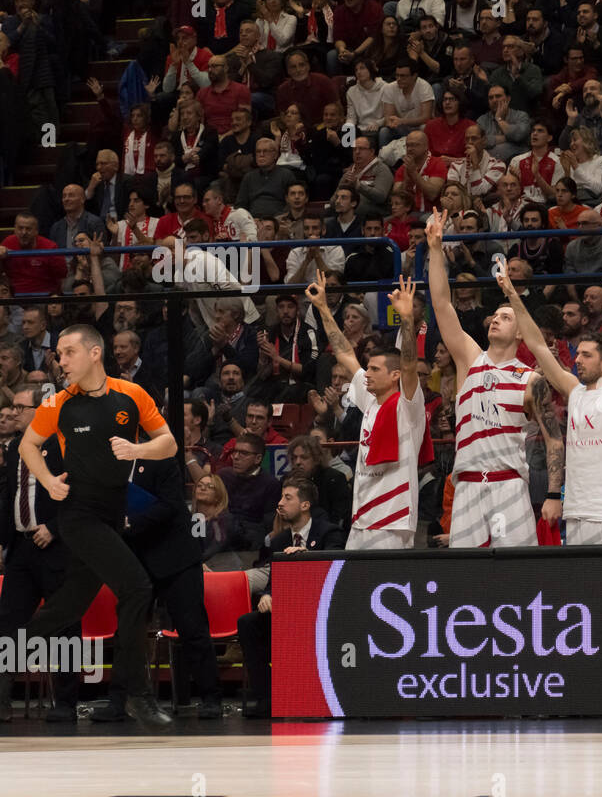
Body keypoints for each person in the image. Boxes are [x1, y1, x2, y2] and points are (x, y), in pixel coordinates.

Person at [8, 325, 177, 726]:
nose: (61, 361)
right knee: (136, 587)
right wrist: (49, 481)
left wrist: (138, 450)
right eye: (60, 354)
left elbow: (167, 443)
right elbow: (27, 445)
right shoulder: (59, 404)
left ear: (95, 353)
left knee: (70, 605)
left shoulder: (131, 395)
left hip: (111, 513)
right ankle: (137, 694)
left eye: (68, 353)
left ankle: (7, 652)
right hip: (79, 514)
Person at [425, 210, 564, 547]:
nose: (496, 320)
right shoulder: (469, 359)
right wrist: (434, 248)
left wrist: (554, 494)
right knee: (466, 576)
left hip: (508, 484)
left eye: (506, 317)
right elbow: (442, 304)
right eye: (495, 316)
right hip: (467, 486)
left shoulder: (530, 379)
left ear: (520, 333)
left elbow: (554, 440)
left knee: (513, 575)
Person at [497, 254, 602, 544]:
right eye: (578, 354)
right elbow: (536, 343)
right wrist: (512, 294)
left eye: (587, 355)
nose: (578, 360)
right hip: (574, 512)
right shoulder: (574, 391)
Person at [93, 454, 222, 721]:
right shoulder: (103, 466)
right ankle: (118, 701)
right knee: (127, 631)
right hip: (135, 561)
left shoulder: (159, 460)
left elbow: (171, 504)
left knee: (192, 628)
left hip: (175, 558)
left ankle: (211, 698)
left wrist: (130, 522)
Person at [305, 272, 425, 551]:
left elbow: (408, 363)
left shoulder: (408, 404)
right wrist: (323, 308)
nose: (365, 374)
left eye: (373, 369)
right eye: (367, 369)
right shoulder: (370, 400)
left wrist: (406, 320)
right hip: (361, 518)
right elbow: (344, 352)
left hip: (392, 520)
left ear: (394, 376)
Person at [0, 385, 79, 721]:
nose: (14, 413)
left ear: (40, 410)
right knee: (7, 625)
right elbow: (9, 494)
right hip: (21, 547)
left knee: (65, 625)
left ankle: (66, 703)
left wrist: (55, 526)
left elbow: (82, 493)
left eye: (20, 407)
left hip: (56, 547)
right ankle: (2, 700)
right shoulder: (17, 446)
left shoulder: (63, 444)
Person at [239, 477, 344, 718]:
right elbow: (272, 580)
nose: (280, 503)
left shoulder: (328, 531)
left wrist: (308, 554)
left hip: (321, 608)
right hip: (287, 610)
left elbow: (338, 559)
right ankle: (267, 698)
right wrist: (266, 595)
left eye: (288, 498)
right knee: (248, 623)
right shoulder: (279, 541)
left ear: (305, 504)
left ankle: (315, 694)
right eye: (280, 498)